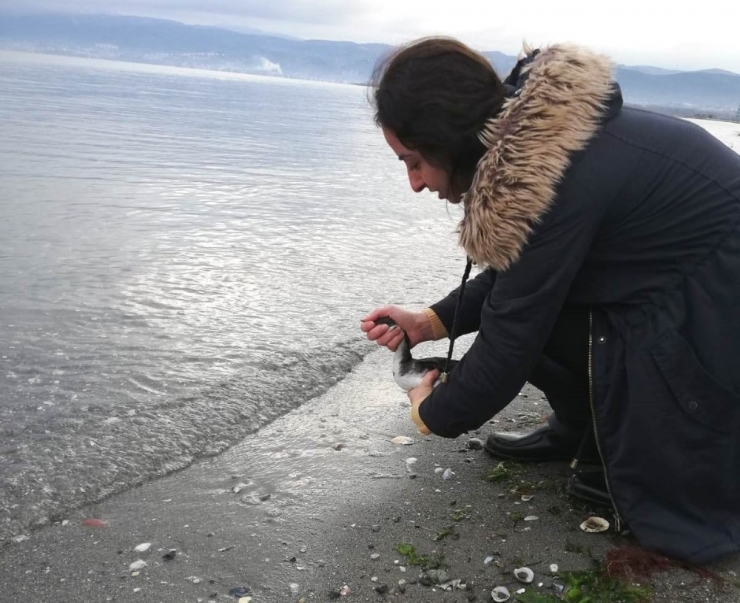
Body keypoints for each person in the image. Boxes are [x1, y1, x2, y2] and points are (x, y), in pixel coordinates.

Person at [360, 37, 740, 565]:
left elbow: (510, 337)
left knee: (533, 324)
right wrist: (430, 322)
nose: (415, 184)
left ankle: (617, 461)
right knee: (540, 310)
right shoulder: (542, 148)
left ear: (448, 140)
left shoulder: (560, 177)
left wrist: (434, 411)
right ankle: (583, 430)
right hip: (685, 282)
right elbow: (519, 280)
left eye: (415, 161)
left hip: (717, 308)